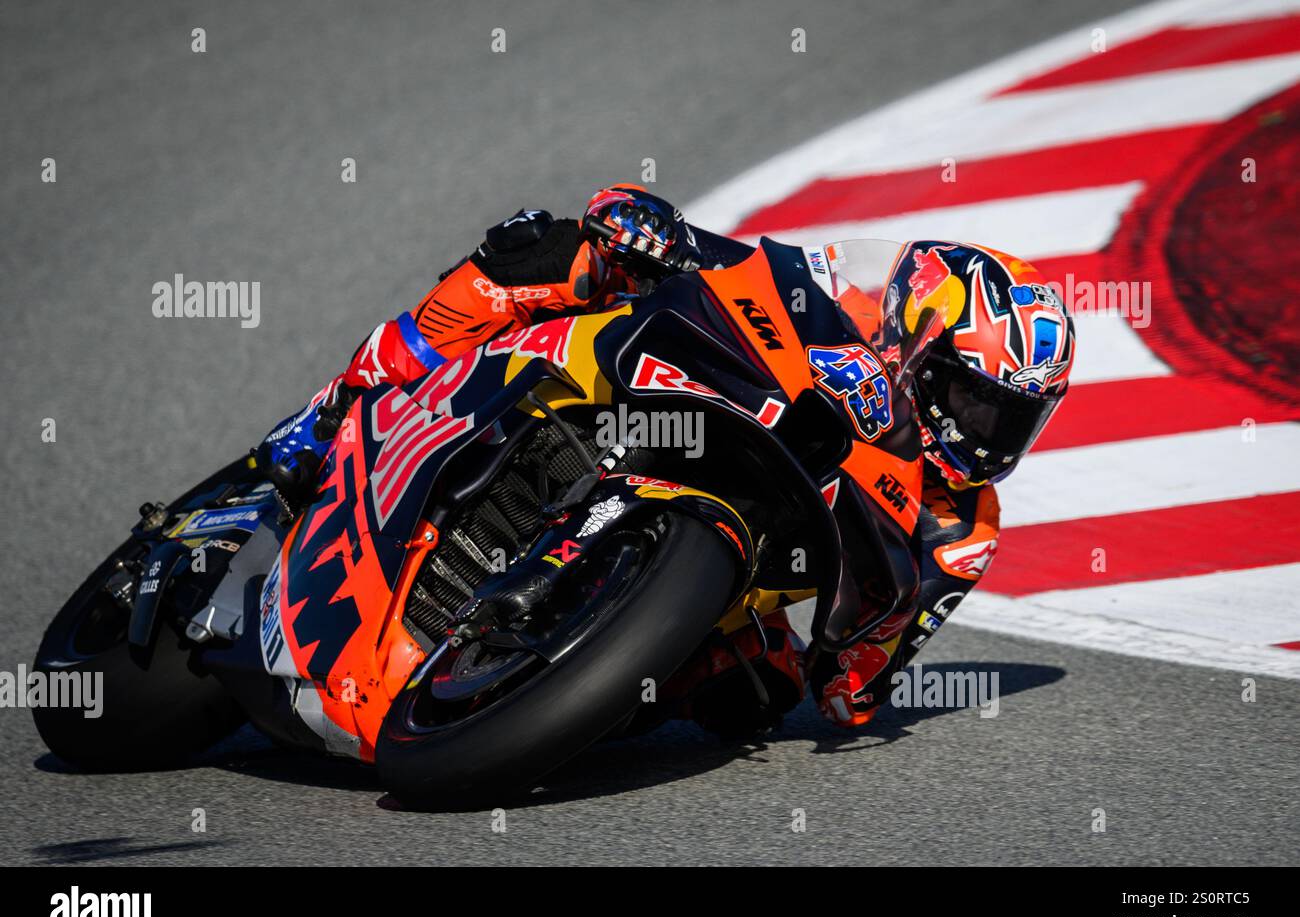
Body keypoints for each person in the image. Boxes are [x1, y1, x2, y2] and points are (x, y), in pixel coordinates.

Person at [255, 184, 1074, 734]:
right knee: (549, 247)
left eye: (1013, 419)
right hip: (651, 400)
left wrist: (856, 657)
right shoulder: (840, 309)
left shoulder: (961, 527)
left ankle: (541, 679)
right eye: (971, 397)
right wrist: (650, 229)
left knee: (758, 695)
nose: (985, 433)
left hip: (741, 560)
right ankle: (333, 406)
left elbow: (852, 685)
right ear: (913, 339)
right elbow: (726, 260)